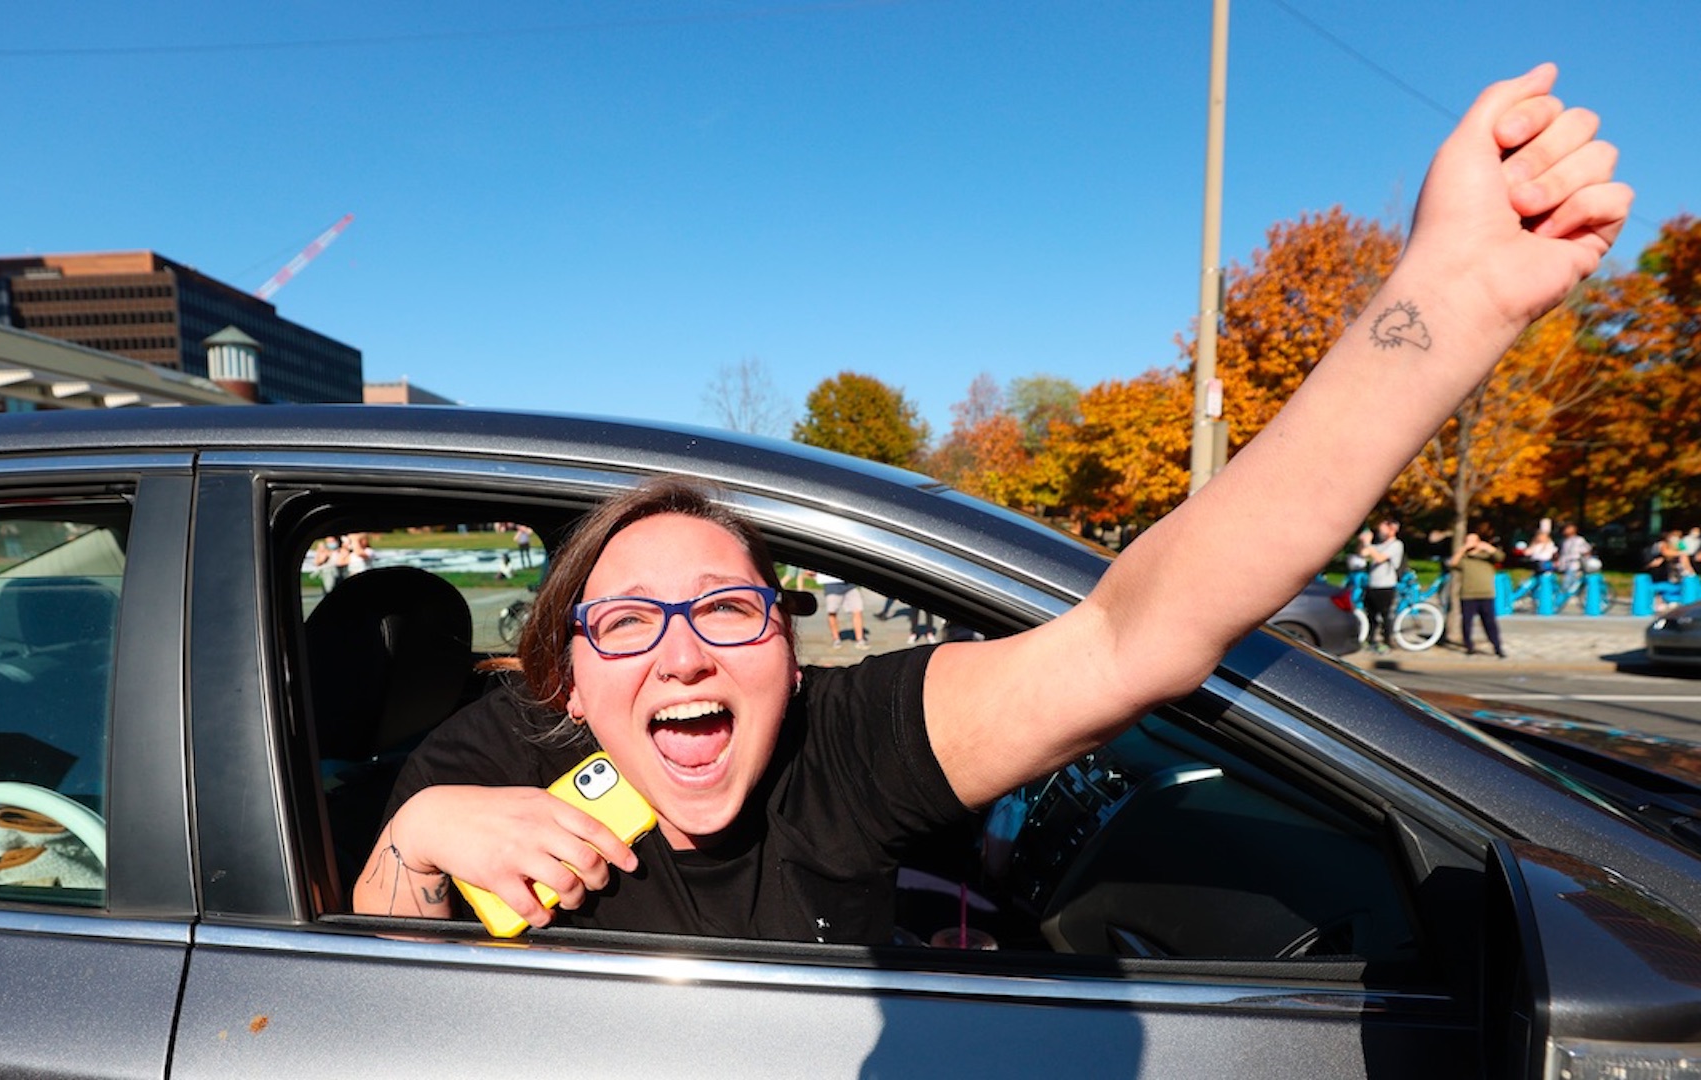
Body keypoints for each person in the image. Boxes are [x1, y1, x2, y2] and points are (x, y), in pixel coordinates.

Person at [353, 65, 1630, 941]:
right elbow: (352, 1001)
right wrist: (414, 842)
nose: (683, 645)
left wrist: (1454, 300)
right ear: (566, 679)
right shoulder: (494, 765)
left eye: (731, 611)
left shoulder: (838, 747)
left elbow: (1139, 630)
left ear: (789, 655)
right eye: (626, 621)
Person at [1450, 529, 1507, 658]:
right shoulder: (1464, 558)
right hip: (1468, 594)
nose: (1470, 543)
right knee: (1467, 622)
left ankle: (1497, 647)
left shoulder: (1486, 557)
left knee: (1490, 622)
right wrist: (1463, 549)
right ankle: (1469, 646)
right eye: (1468, 540)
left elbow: (1500, 557)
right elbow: (1453, 563)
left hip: (1486, 594)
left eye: (1473, 540)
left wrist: (1487, 547)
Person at [1356, 519, 1404, 652]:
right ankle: (1371, 639)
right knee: (1371, 615)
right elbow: (1362, 554)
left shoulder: (1396, 545)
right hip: (1372, 584)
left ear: (1392, 529)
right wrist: (1362, 542)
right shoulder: (1378, 545)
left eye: (1383, 529)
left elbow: (1379, 558)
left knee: (1385, 615)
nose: (1380, 532)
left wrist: (1367, 544)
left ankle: (1388, 641)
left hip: (1386, 585)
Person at [1556, 522, 1594, 597]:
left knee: (1568, 580)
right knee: (1570, 579)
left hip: (1574, 563)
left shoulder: (1579, 540)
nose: (1565, 531)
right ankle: (1571, 593)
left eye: (1567, 529)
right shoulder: (1564, 541)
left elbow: (1586, 550)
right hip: (1565, 564)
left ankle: (1563, 595)